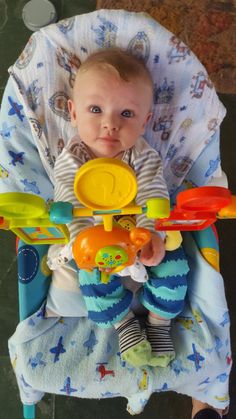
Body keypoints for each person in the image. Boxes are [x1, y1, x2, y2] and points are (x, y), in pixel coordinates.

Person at [47, 47, 189, 369]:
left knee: (174, 262)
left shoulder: (142, 155)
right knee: (90, 278)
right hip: (95, 238)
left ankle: (158, 322)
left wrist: (151, 235)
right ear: (72, 113)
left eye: (126, 114)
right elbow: (68, 198)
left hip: (136, 233)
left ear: (145, 121)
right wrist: (86, 244)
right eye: (95, 109)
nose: (110, 124)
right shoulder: (72, 158)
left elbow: (154, 192)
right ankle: (123, 323)